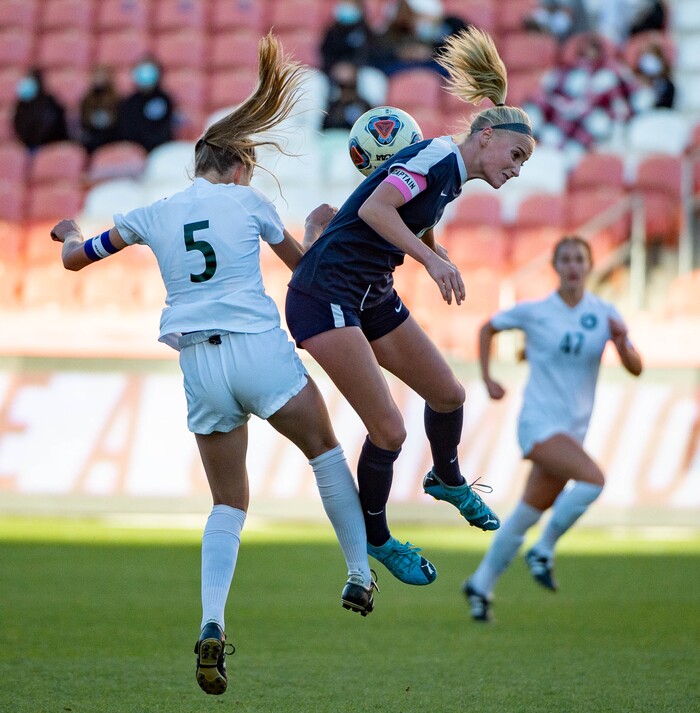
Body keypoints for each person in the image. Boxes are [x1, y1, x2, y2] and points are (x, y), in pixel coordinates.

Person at [49, 33, 375, 697]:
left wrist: (68, 237)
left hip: (198, 361)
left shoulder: (154, 211)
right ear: (235, 167)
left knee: (228, 501)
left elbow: (78, 258)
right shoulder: (246, 202)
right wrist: (333, 242)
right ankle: (359, 572)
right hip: (258, 347)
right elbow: (302, 268)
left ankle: (211, 622)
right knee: (323, 449)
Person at [285, 26, 536, 587]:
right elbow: (377, 209)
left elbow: (377, 214)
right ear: (487, 135)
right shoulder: (436, 155)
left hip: (368, 292)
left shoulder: (447, 174)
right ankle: (377, 540)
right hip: (325, 294)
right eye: (516, 154)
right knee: (391, 431)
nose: (517, 167)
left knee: (448, 395)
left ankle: (446, 478)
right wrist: (432, 259)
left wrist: (430, 247)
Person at [464, 236, 643, 622]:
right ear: (556, 267)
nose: (573, 266)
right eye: (566, 259)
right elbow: (487, 328)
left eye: (580, 258)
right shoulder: (537, 312)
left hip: (573, 430)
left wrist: (622, 340)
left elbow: (636, 367)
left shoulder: (604, 313)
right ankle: (543, 550)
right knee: (594, 480)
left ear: (590, 265)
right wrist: (487, 377)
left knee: (526, 515)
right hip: (539, 425)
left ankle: (480, 585)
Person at [117, 56, 174, 152]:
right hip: (132, 149)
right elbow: (125, 129)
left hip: (158, 149)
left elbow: (162, 130)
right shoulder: (129, 101)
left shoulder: (164, 100)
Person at [12, 68, 69, 151]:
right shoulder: (21, 104)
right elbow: (18, 124)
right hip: (27, 145)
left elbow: (54, 126)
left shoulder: (49, 102)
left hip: (49, 145)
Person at [320, 0, 374, 74]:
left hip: (358, 70)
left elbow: (366, 54)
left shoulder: (364, 30)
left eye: (350, 5)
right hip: (333, 72)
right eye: (344, 4)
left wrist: (353, 67)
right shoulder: (332, 30)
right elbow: (326, 53)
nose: (346, 8)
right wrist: (335, 67)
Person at [79, 65, 121, 154]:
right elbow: (84, 124)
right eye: (96, 75)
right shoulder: (86, 100)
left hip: (113, 139)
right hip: (92, 143)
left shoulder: (118, 100)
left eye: (102, 74)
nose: (99, 78)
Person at [322, 61, 372, 131]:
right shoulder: (332, 108)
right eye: (343, 87)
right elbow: (326, 130)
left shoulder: (364, 105)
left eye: (350, 87)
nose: (347, 91)